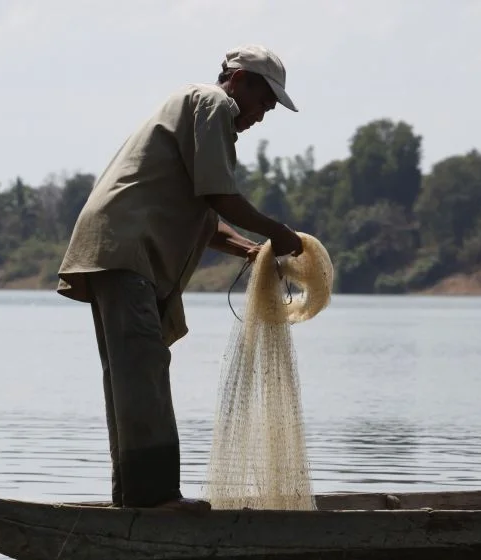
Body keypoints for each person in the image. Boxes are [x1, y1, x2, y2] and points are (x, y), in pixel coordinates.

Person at [56, 44, 303, 511]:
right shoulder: (214, 105)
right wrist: (278, 234)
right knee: (142, 370)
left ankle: (133, 501)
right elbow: (221, 197)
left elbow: (206, 217)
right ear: (242, 81)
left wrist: (251, 249)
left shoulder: (197, 112)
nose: (262, 116)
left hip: (118, 249)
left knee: (130, 374)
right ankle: (157, 500)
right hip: (126, 250)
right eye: (265, 102)